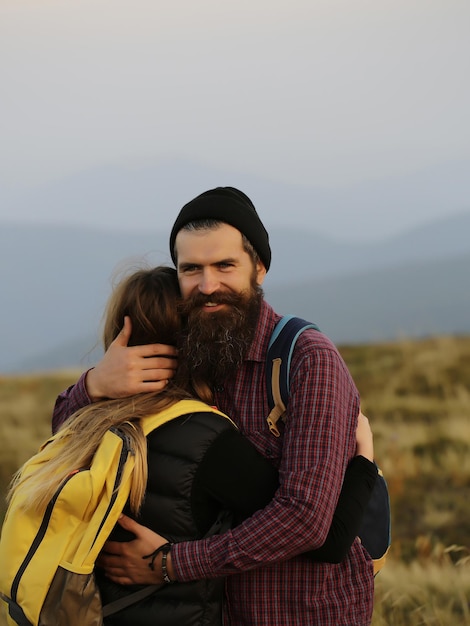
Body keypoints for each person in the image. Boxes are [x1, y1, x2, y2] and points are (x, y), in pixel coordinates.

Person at [52, 187, 376, 625]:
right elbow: (69, 439)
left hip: (299, 612)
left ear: (259, 267)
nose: (208, 285)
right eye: (192, 269)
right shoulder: (190, 345)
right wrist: (95, 385)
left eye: (225, 265)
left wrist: (169, 564)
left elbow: (305, 519)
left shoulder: (307, 361)